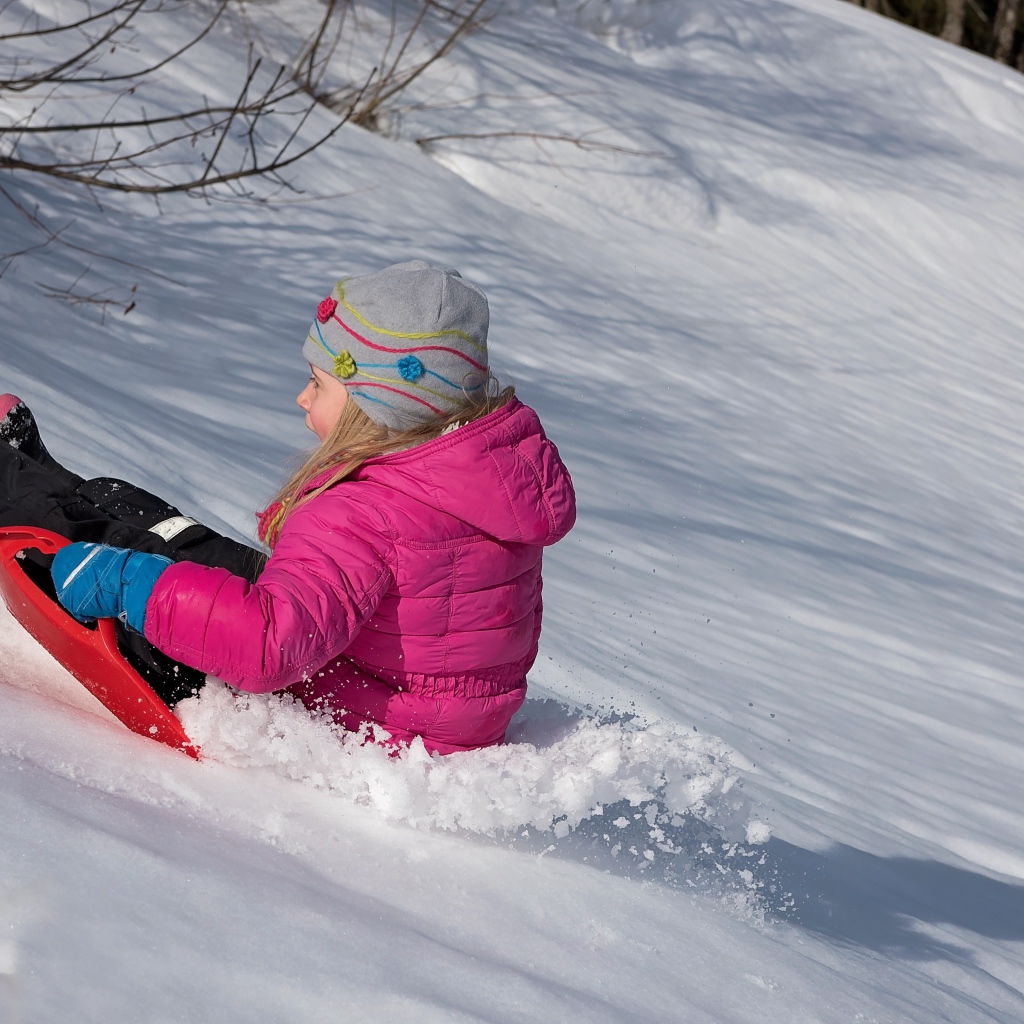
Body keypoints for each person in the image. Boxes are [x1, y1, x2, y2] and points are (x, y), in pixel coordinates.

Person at [9, 260, 575, 754]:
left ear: (379, 405)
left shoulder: (364, 513)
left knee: (131, 562)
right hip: (406, 713)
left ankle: (19, 492)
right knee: (180, 539)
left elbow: (267, 647)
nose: (302, 397)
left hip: (334, 721)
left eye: (318, 383)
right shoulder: (486, 486)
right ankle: (54, 481)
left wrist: (131, 584)